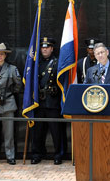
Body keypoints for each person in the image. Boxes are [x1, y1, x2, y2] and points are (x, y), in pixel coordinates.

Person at [30, 37, 67, 165]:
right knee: (38, 131)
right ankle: (37, 154)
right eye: (42, 47)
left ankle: (58, 154)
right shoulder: (36, 63)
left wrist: (55, 90)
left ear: (52, 49)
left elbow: (62, 81)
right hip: (39, 102)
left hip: (53, 102)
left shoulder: (57, 63)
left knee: (56, 131)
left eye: (47, 47)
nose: (44, 49)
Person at [0, 43, 22, 166]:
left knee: (9, 133)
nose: (0, 56)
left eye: (2, 54)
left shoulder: (12, 69)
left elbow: (18, 85)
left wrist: (9, 94)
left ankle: (10, 156)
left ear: (5, 55)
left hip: (8, 102)